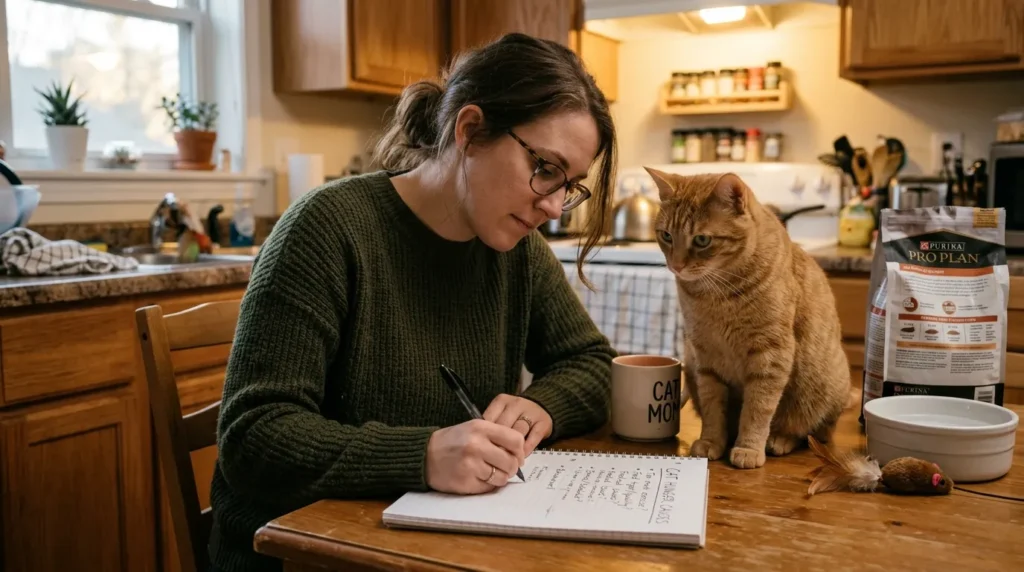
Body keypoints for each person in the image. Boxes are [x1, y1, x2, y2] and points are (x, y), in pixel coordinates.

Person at [208, 32, 618, 572]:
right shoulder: (327, 229)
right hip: (299, 553)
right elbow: (253, 435)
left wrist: (541, 406)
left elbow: (592, 364)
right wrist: (423, 455)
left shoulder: (515, 247)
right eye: (545, 168)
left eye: (571, 185)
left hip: (433, 547)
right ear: (470, 131)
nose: (555, 207)